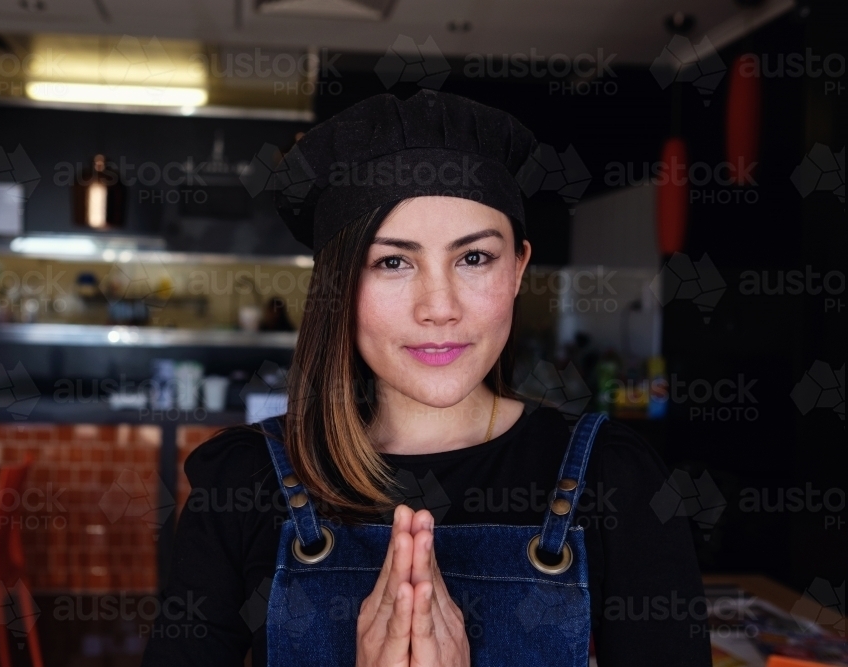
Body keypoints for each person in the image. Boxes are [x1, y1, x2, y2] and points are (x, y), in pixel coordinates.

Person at [141, 89, 711, 667]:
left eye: (474, 258)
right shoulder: (243, 482)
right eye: (393, 262)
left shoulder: (618, 477)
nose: (439, 307)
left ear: (517, 269)